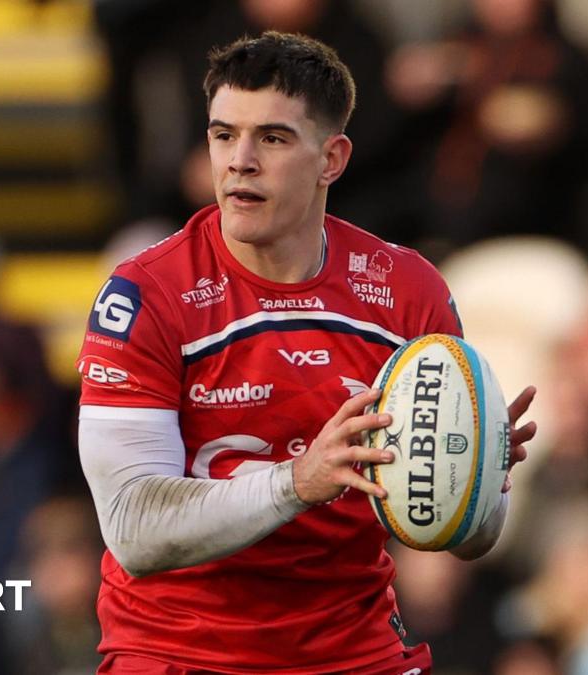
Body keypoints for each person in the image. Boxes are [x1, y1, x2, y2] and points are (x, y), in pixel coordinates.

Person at [76, 31, 537, 673]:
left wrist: (479, 475)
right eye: (222, 134)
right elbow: (133, 530)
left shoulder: (407, 290)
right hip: (181, 652)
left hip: (353, 652)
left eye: (272, 138)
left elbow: (469, 540)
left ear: (332, 159)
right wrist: (299, 483)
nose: (239, 160)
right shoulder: (144, 296)